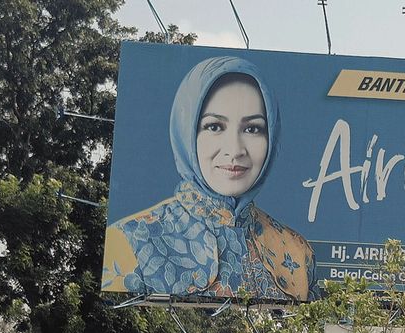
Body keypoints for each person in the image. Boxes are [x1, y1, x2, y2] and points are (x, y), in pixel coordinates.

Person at [103, 56, 317, 301]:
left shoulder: (299, 254)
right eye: (214, 126)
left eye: (252, 128)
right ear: (186, 132)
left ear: (272, 138)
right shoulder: (129, 241)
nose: (235, 150)